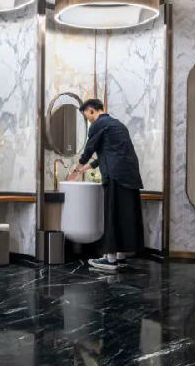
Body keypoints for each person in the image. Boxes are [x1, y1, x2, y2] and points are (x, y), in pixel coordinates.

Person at [71, 98, 144, 272]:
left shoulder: (98, 124)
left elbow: (89, 149)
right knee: (125, 216)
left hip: (115, 176)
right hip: (130, 175)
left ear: (91, 110)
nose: (88, 120)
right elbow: (112, 152)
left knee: (112, 215)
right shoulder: (118, 125)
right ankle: (121, 257)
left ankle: (110, 259)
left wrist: (77, 168)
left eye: (87, 116)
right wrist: (89, 167)